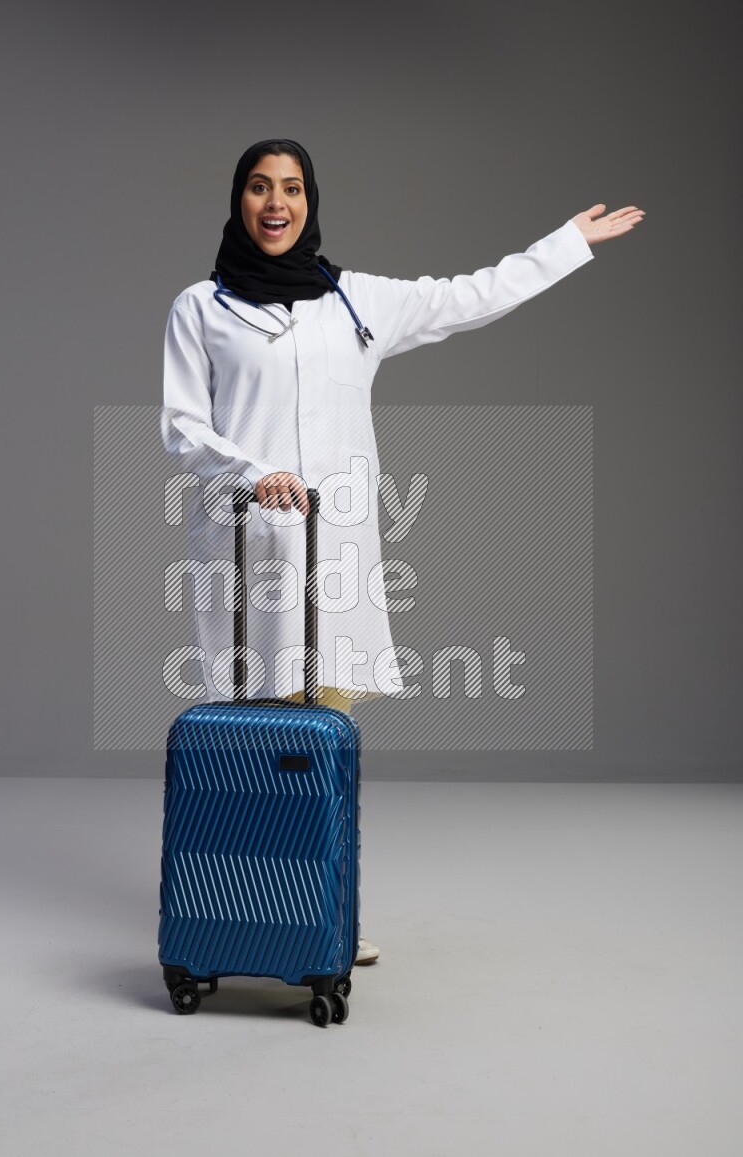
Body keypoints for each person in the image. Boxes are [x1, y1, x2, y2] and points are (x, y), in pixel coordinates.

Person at [161, 138, 645, 965]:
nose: (275, 203)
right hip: (246, 552)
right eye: (258, 187)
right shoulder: (199, 308)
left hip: (334, 553)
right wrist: (252, 472)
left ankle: (323, 915)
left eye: (291, 188)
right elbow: (181, 426)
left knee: (325, 735)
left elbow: (467, 297)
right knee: (250, 739)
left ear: (310, 201)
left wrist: (566, 245)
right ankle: (248, 912)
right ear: (238, 201)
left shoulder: (353, 301)